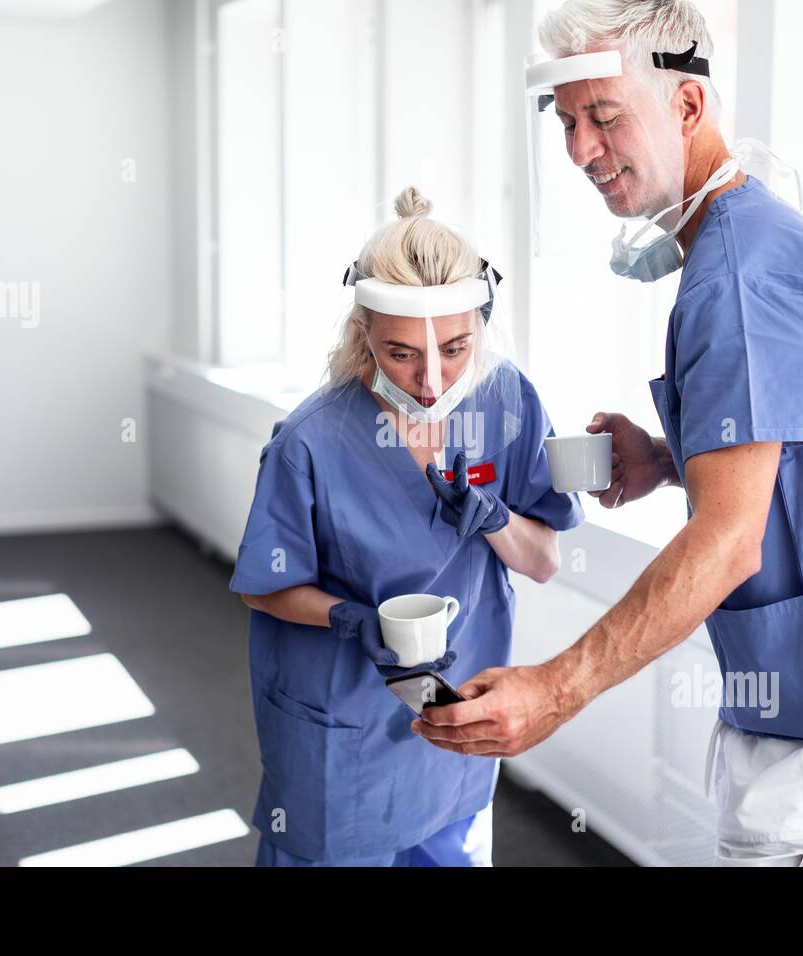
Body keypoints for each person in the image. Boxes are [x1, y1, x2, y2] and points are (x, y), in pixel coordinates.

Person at [412, 0, 803, 867]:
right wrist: (667, 459)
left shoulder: (737, 275)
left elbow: (729, 541)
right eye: (565, 119)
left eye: (605, 116)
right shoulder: (748, 240)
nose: (580, 149)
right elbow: (794, 450)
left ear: (688, 108)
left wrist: (555, 689)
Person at [229, 185, 583, 866]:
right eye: (400, 354)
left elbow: (543, 561)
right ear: (363, 332)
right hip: (345, 729)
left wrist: (496, 521)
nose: (430, 379)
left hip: (454, 719)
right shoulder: (311, 440)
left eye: (455, 348)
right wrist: (351, 619)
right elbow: (262, 586)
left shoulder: (505, 402)